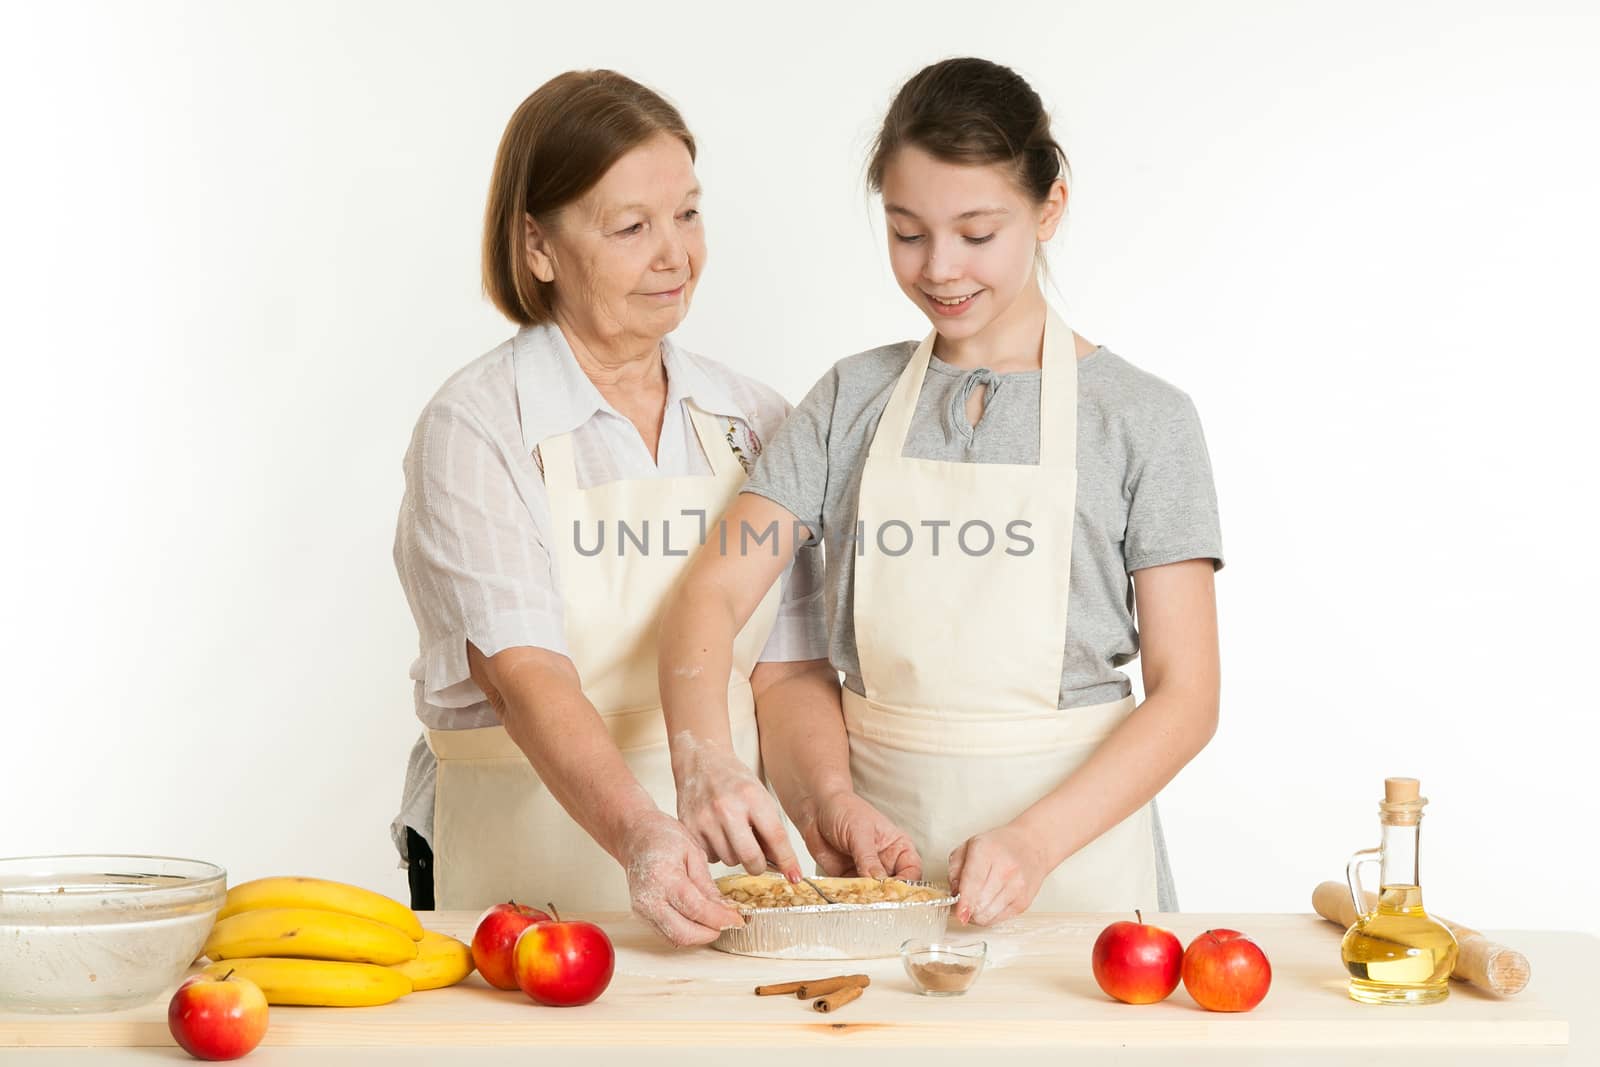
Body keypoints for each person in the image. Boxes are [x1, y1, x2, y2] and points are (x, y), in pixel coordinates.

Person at [659, 57, 1223, 926]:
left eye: (977, 231)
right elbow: (714, 587)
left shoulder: (1145, 420)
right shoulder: (850, 399)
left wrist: (1034, 840)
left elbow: (1187, 696)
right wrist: (709, 760)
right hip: (883, 866)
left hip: (1080, 874)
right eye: (907, 231)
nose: (940, 267)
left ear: (1049, 208)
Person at [389, 70, 832, 946]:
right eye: (631, 227)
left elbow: (787, 672)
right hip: (519, 867)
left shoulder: (758, 419)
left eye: (689, 214)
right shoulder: (476, 427)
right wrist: (641, 832)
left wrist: (830, 809)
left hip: (724, 876)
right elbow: (525, 677)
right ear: (538, 246)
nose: (676, 255)